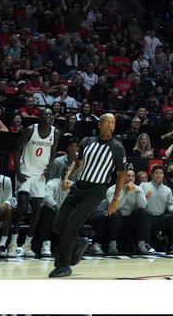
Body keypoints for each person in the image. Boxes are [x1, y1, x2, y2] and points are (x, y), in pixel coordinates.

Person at [48, 113, 126, 277]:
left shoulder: (117, 148)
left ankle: (63, 265)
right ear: (100, 124)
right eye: (107, 121)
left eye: (113, 122)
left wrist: (115, 199)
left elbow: (120, 175)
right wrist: (67, 177)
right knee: (58, 225)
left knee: (71, 226)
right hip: (79, 186)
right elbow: (77, 163)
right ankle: (79, 242)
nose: (110, 124)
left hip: (96, 191)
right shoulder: (86, 142)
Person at [7, 107, 60, 257]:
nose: (48, 118)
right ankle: (12, 244)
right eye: (45, 115)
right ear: (40, 117)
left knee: (37, 209)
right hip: (25, 171)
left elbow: (54, 151)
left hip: (40, 175)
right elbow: (16, 150)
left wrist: (49, 167)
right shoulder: (31, 129)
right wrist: (18, 171)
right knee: (22, 207)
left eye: (50, 116)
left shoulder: (55, 133)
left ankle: (27, 245)